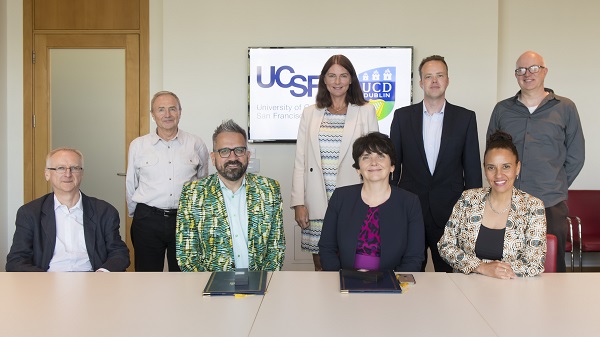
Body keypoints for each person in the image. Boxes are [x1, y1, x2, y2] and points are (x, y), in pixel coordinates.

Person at [487, 51, 585, 272]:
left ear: (544, 71)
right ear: (516, 75)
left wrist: (555, 183)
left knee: (550, 267)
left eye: (533, 68)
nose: (527, 74)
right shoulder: (502, 110)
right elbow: (492, 153)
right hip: (508, 203)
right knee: (507, 265)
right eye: (521, 70)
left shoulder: (565, 107)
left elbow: (576, 156)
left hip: (549, 203)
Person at [390, 55, 482, 272]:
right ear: (421, 82)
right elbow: (392, 166)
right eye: (428, 76)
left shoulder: (465, 118)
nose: (434, 81)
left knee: (451, 277)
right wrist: (392, 204)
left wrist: (472, 213)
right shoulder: (403, 117)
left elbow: (472, 169)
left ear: (447, 80)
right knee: (409, 273)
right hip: (411, 209)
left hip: (451, 212)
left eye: (439, 75)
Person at [291, 54, 379, 270]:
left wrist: (375, 202)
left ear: (351, 80)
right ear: (324, 80)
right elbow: (300, 161)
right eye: (332, 76)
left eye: (343, 76)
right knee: (321, 266)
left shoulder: (365, 111)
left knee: (357, 264)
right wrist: (299, 203)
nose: (337, 81)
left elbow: (375, 162)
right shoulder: (310, 113)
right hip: (317, 200)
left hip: (356, 200)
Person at [176, 119, 285, 271]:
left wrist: (260, 283)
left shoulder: (269, 190)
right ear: (213, 158)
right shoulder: (193, 193)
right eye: (224, 151)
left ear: (247, 155)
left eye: (239, 150)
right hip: (211, 286)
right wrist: (211, 286)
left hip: (259, 285)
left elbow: (276, 248)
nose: (233, 158)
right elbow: (187, 255)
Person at [438, 131, 547, 278]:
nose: (498, 175)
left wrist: (497, 271)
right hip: (467, 287)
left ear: (518, 168)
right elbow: (445, 246)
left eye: (506, 167)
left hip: (513, 290)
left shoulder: (533, 207)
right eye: (491, 167)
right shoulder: (468, 199)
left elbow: (534, 263)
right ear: (484, 169)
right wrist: (482, 267)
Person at [6, 148, 130, 272]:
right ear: (47, 174)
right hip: (47, 282)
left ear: (82, 173)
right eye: (60, 168)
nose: (68, 174)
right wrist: (43, 281)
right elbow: (16, 260)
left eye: (74, 168)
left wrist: (101, 274)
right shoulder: (29, 213)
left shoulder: (104, 211)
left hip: (93, 281)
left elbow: (119, 253)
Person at [126, 91, 209, 272]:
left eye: (172, 109)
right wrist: (136, 214)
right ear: (153, 115)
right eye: (161, 110)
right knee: (146, 276)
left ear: (180, 112)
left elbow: (202, 183)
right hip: (147, 219)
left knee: (184, 275)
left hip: (185, 220)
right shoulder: (138, 145)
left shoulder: (196, 143)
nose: (167, 115)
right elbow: (131, 184)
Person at [319, 132, 425, 272]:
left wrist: (392, 284)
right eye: (366, 157)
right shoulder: (341, 197)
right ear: (358, 168)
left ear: (392, 166)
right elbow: (327, 248)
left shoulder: (410, 203)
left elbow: (414, 258)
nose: (374, 162)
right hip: (346, 284)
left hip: (393, 286)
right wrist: (341, 279)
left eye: (381, 156)